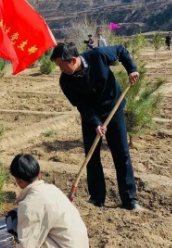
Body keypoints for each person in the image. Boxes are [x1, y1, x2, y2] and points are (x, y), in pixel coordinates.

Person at [50, 43, 142, 211]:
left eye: (62, 65)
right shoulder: (65, 81)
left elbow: (121, 50)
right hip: (91, 116)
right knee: (92, 157)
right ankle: (97, 197)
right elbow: (81, 105)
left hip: (113, 109)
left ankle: (130, 199)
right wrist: (95, 123)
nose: (61, 69)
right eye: (59, 67)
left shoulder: (97, 55)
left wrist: (132, 69)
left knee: (121, 153)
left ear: (73, 60)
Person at [9, 154, 89, 248]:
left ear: (18, 181)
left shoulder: (29, 205)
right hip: (80, 244)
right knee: (17, 216)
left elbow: (26, 245)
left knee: (14, 223)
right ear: (39, 173)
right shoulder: (52, 189)